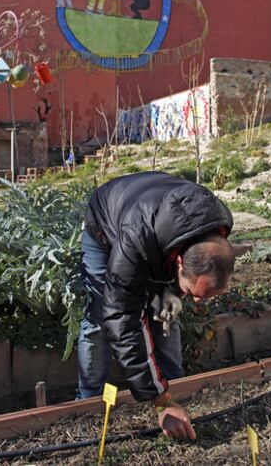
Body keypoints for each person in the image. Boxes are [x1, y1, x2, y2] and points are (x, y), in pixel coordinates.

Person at [77, 171, 234, 440]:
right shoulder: (134, 242)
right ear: (181, 264)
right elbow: (123, 318)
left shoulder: (219, 222)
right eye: (194, 292)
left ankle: (174, 381)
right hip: (108, 225)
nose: (198, 301)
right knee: (100, 317)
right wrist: (160, 403)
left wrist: (174, 292)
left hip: (157, 222)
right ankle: (89, 400)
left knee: (166, 312)